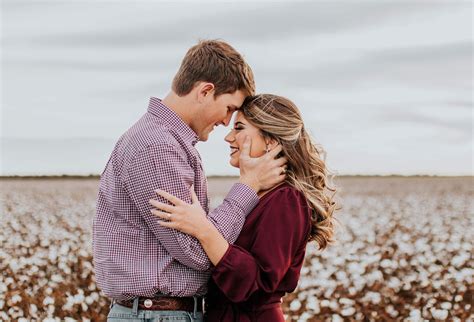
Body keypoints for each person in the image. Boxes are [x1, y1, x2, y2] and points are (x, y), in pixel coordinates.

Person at [93, 41, 287, 322]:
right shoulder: (157, 147)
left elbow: (197, 236)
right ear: (205, 91)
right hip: (158, 316)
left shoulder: (162, 141)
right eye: (229, 108)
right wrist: (248, 186)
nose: (226, 122)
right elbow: (196, 251)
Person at [150, 94, 338, 321]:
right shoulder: (258, 195)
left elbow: (258, 285)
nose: (229, 137)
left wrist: (204, 230)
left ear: (270, 140)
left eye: (239, 128)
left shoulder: (286, 200)